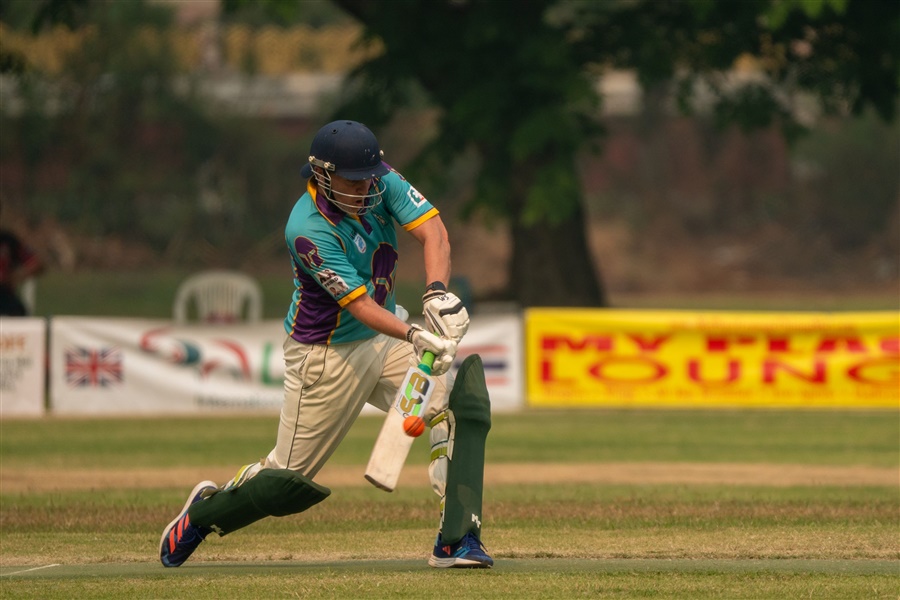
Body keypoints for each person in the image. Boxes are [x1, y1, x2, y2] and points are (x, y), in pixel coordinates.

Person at [159, 120, 493, 569]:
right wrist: (418, 334)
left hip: (384, 336)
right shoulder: (307, 228)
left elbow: (434, 231)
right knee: (286, 480)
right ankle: (204, 512)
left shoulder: (378, 176)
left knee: (452, 408)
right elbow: (358, 306)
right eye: (353, 182)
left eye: (369, 180)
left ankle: (455, 540)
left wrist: (434, 293)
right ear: (322, 174)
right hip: (326, 356)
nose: (365, 190)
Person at [0, 226, 44, 316]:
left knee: (18, 313)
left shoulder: (8, 241)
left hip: (4, 296)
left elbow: (36, 264)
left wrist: (14, 277)